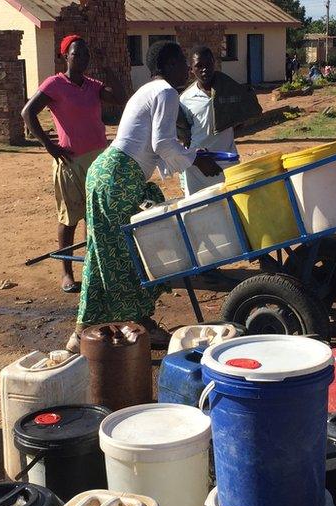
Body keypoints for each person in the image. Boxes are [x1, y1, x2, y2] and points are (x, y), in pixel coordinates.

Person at [64, 41, 222, 351]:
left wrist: (190, 153)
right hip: (118, 177)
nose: (187, 69)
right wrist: (195, 160)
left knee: (104, 252)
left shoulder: (148, 90)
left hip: (111, 174)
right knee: (126, 253)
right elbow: (162, 143)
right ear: (167, 65)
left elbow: (155, 146)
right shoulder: (165, 92)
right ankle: (137, 322)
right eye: (181, 62)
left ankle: (82, 330)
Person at [21, 35, 126, 293]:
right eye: (76, 54)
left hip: (98, 160)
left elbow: (120, 97)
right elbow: (27, 112)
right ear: (65, 56)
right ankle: (66, 272)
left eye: (86, 55)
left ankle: (94, 267)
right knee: (70, 218)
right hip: (70, 161)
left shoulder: (92, 85)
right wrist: (49, 145)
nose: (82, 59)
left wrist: (109, 66)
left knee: (96, 218)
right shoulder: (55, 84)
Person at [177, 46, 262, 195]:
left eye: (208, 64)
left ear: (214, 64)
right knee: (199, 210)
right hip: (198, 166)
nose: (204, 70)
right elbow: (183, 135)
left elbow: (246, 110)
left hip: (227, 161)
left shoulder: (229, 89)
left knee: (232, 207)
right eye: (199, 66)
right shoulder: (185, 99)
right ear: (191, 69)